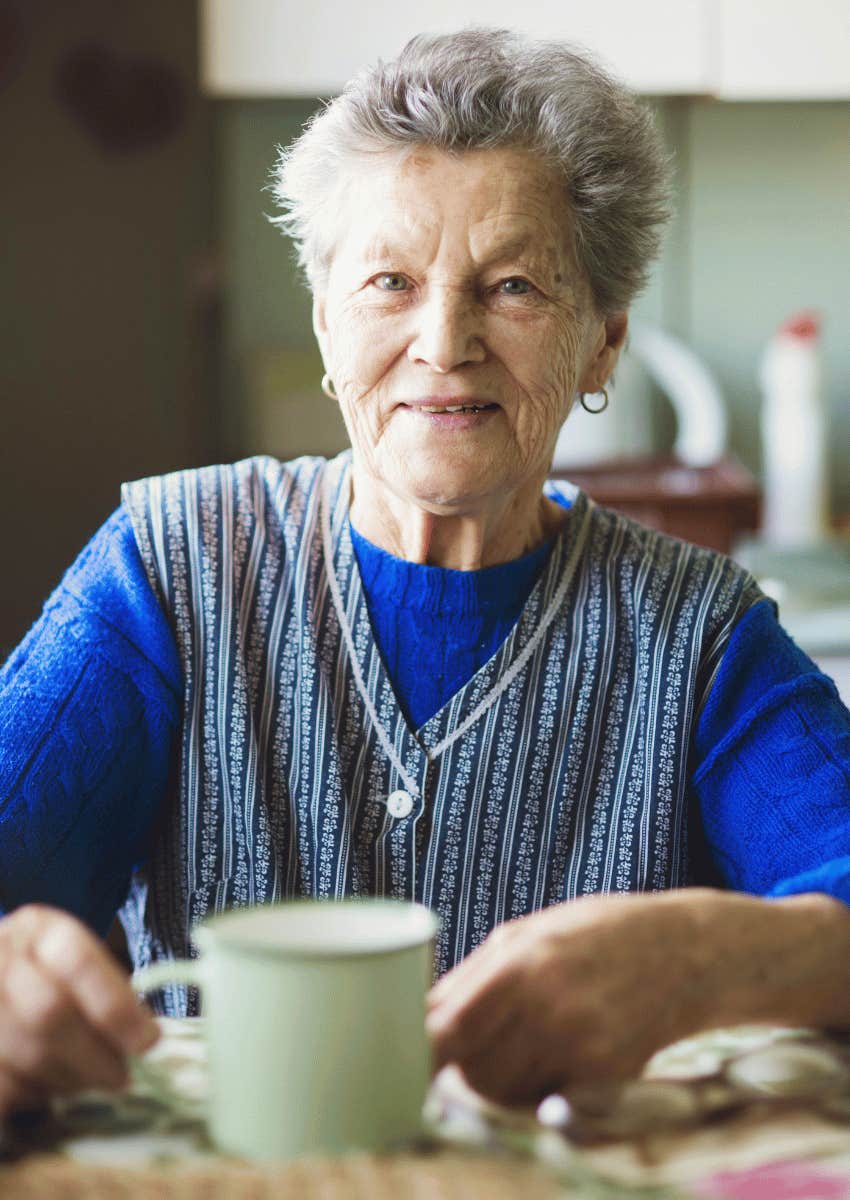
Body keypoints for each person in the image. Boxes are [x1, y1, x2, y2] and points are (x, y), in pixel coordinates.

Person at [1, 28, 849, 1117]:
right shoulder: (168, 572)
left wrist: (699, 956)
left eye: (510, 287)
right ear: (324, 322)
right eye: (389, 282)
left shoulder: (697, 632)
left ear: (600, 343)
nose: (443, 341)